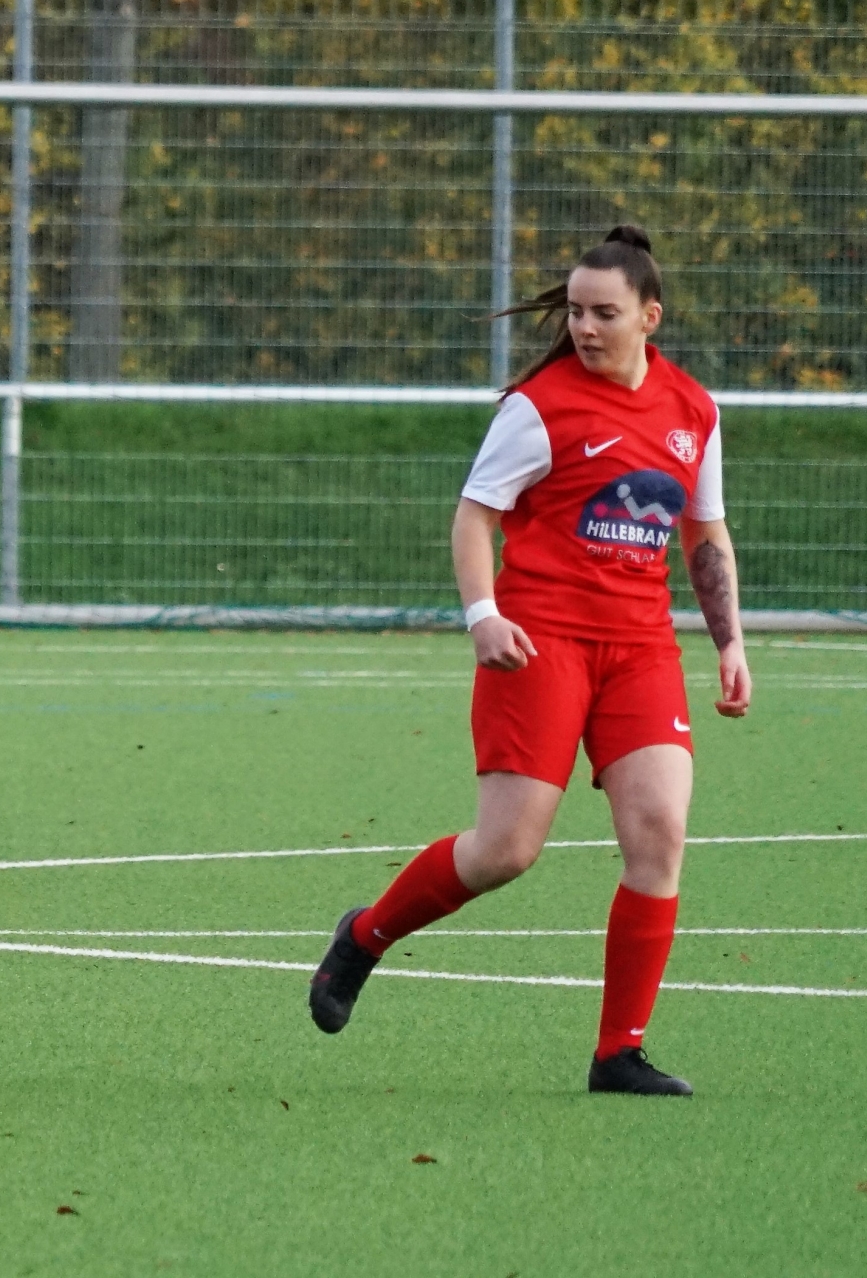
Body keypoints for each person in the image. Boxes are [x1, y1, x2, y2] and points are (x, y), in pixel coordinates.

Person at [307, 226, 751, 1097]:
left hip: (640, 649)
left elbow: (703, 532)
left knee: (659, 832)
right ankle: (363, 938)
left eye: (605, 312)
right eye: (577, 310)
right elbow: (475, 516)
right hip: (538, 642)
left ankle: (618, 1053)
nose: (585, 326)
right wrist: (482, 616)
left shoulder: (694, 411)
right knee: (506, 851)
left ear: (650, 316)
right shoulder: (539, 406)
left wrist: (730, 641)